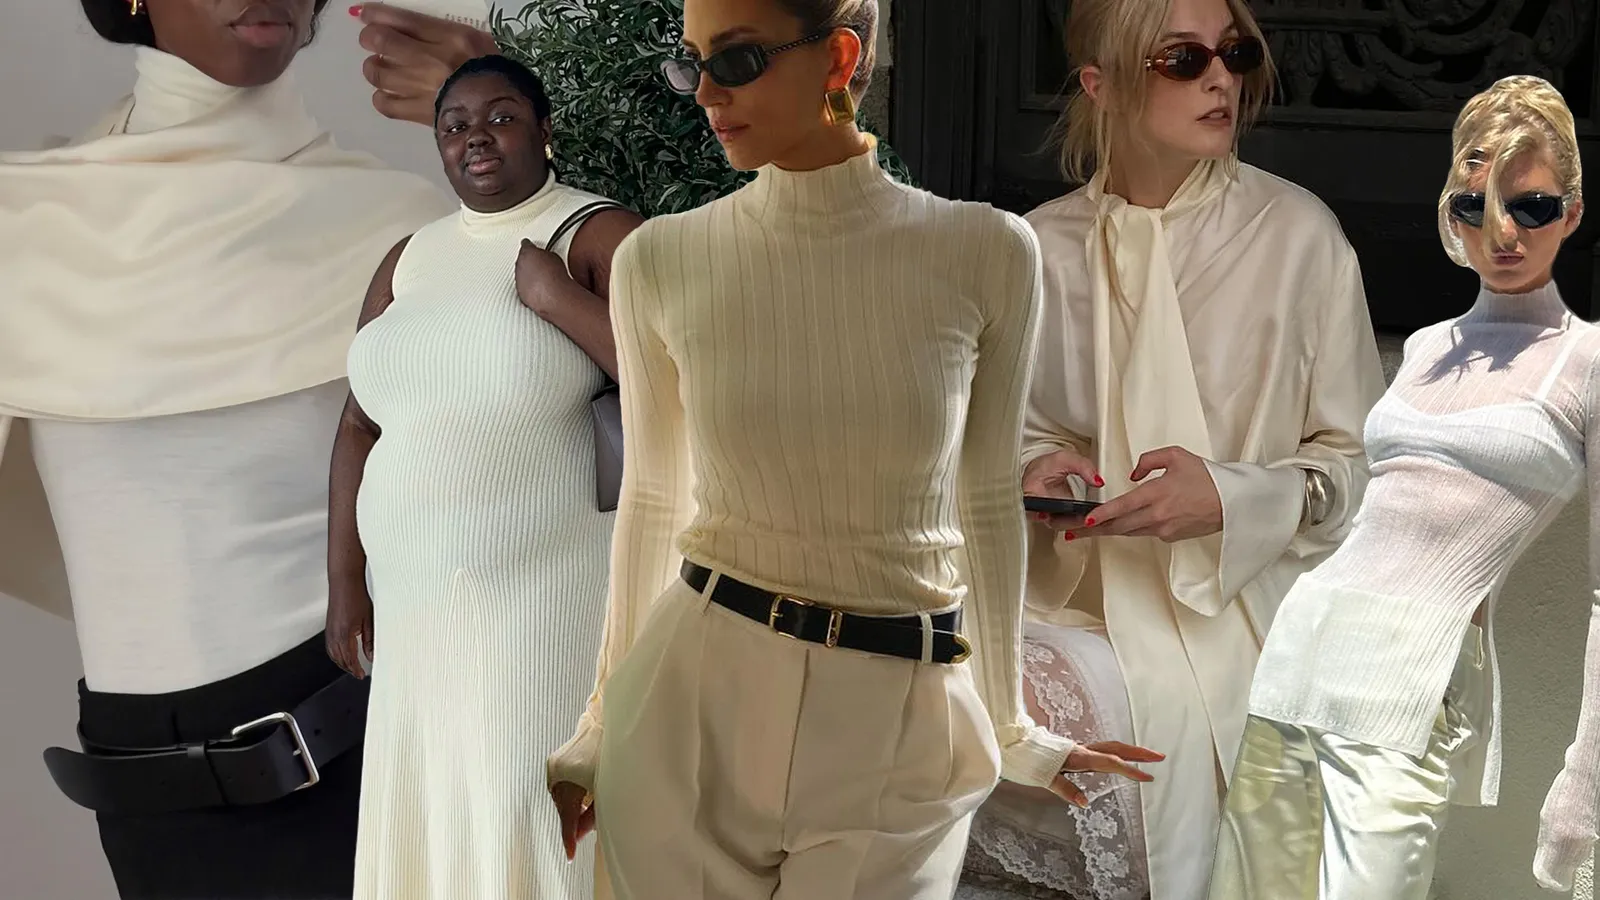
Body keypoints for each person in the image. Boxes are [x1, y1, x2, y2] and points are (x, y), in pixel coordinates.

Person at [541, 0, 1164, 896]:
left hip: (898, 723)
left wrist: (1010, 725)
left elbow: (987, 501)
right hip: (689, 703)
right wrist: (599, 730)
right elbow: (652, 499)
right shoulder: (662, 260)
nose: (707, 93)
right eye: (692, 63)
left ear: (839, 57)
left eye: (737, 60)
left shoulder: (986, 250)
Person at [0, 1, 484, 895]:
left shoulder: (402, 227)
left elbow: (644, 376)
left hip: (377, 764)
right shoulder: (28, 225)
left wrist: (519, 116)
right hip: (143, 808)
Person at [1013, 0, 1387, 896]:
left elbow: (1361, 466)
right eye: (1183, 59)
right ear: (1102, 84)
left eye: (1236, 52)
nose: (1222, 78)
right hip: (1064, 594)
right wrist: (1034, 467)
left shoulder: (1298, 238)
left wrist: (1230, 497)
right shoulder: (1037, 248)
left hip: (1236, 606)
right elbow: (1016, 427)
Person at [1208, 74, 1600, 900]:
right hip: (1299, 656)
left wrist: (1583, 780)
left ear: (1571, 212)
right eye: (1475, 206)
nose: (1502, 231)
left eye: (1531, 207)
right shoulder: (1425, 347)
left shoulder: (1586, 361)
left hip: (1414, 685)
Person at [328, 54, 642, 900]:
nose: (476, 137)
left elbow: (679, 385)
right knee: (432, 804)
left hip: (543, 596)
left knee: (524, 806)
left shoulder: (596, 232)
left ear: (544, 129)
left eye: (501, 117)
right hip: (413, 605)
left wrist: (555, 299)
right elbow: (358, 424)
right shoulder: (410, 257)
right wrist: (346, 583)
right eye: (455, 125)